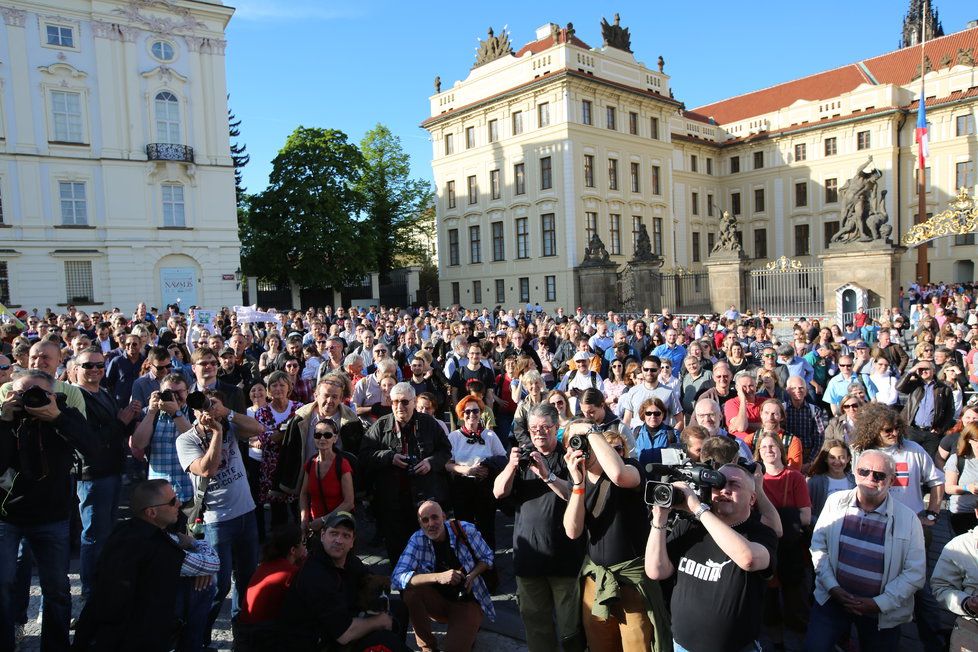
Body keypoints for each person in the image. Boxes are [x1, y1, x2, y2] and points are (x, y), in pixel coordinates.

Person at [0, 370, 95, 652]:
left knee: (56, 589)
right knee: (2, 584)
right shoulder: (6, 417)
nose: (30, 400)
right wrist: (4, 422)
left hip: (51, 515)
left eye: (37, 393)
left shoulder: (63, 412)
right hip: (7, 515)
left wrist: (58, 418)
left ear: (52, 394)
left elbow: (93, 449)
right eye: (22, 393)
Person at [72, 479, 219, 652]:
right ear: (151, 512)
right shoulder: (160, 549)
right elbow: (213, 563)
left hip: (102, 622)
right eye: (172, 502)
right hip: (139, 633)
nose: (179, 504)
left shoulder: (123, 530)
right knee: (207, 585)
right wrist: (194, 542)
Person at [645, 462, 778, 652]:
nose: (725, 490)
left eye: (734, 484)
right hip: (683, 646)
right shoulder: (690, 527)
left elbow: (748, 559)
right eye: (719, 484)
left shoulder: (761, 533)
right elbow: (656, 570)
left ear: (752, 498)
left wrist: (698, 509)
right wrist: (659, 518)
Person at [564, 420, 670, 652]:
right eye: (575, 441)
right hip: (597, 582)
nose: (584, 447)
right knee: (600, 645)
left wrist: (590, 430)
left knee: (638, 645)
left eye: (588, 441)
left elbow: (619, 475)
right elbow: (572, 531)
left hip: (631, 581)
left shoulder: (630, 466)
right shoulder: (579, 480)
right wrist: (577, 483)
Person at [806, 450, 926, 651]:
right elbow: (819, 546)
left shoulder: (909, 519)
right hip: (832, 599)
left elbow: (915, 573)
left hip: (881, 612)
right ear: (855, 472)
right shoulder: (835, 502)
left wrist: (879, 603)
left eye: (879, 475)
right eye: (864, 471)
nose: (870, 478)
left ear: (892, 480)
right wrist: (833, 587)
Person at [493, 403, 585, 651]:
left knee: (571, 630)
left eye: (545, 427)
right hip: (529, 559)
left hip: (564, 558)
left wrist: (547, 475)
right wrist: (511, 466)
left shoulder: (569, 457)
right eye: (534, 428)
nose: (539, 433)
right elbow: (498, 492)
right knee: (536, 627)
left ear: (556, 428)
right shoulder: (522, 459)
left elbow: (575, 494)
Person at [175, 389, 263, 646]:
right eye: (202, 406)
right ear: (193, 411)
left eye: (211, 405)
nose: (207, 411)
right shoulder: (186, 440)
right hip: (216, 520)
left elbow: (258, 429)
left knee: (246, 580)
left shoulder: (229, 423)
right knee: (216, 586)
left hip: (246, 512)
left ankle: (240, 635)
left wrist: (227, 413)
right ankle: (198, 639)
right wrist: (217, 433)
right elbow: (207, 469)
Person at [71, 348, 141, 611]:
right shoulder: (75, 396)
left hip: (112, 469)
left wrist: (128, 417)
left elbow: (113, 429)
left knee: (106, 532)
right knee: (93, 535)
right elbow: (87, 438)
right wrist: (121, 421)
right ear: (75, 369)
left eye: (100, 365)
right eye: (88, 365)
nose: (95, 370)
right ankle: (89, 592)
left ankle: (103, 585)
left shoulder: (103, 392)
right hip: (93, 473)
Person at [280, 511, 408, 651]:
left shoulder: (350, 561)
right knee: (385, 638)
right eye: (334, 533)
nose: (339, 540)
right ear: (323, 536)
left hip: (342, 622)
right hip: (318, 642)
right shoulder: (315, 575)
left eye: (346, 535)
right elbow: (344, 634)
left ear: (352, 541)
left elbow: (370, 579)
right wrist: (380, 621)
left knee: (399, 609)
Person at [360, 383, 452, 564]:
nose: (399, 407)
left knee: (428, 547)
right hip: (391, 501)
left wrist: (430, 462)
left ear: (414, 401)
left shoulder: (428, 423)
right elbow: (364, 456)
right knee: (397, 549)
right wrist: (388, 457)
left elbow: (446, 450)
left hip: (423, 497)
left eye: (404, 402)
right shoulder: (381, 425)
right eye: (394, 402)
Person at [392, 500, 494, 652]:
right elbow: (397, 577)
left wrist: (472, 575)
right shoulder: (418, 539)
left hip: (467, 602)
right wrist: (438, 577)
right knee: (410, 592)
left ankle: (466, 631)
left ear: (444, 517)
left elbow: (488, 557)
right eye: (425, 520)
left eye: (435, 517)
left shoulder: (464, 529)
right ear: (420, 523)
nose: (430, 524)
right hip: (438, 602)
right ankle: (428, 648)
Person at [756, 433, 812, 645]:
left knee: (795, 601)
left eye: (772, 446)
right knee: (769, 606)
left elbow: (805, 516)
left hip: (790, 548)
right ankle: (776, 644)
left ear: (781, 449)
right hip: (767, 547)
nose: (769, 450)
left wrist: (770, 520)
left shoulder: (794, 477)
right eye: (764, 447)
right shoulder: (755, 481)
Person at [446, 396, 507, 550]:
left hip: (484, 486)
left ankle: (488, 562)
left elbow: (503, 458)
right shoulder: (454, 437)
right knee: (463, 526)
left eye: (475, 411)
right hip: (462, 486)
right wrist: (466, 470)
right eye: (467, 411)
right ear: (461, 414)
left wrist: (489, 467)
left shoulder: (490, 436)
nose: (471, 414)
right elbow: (446, 464)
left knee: (486, 526)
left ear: (481, 413)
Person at [235, 524, 308, 651]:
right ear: (292, 550)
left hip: (244, 633)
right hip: (260, 638)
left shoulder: (267, 563)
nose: (305, 546)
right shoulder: (289, 572)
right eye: (303, 542)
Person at [298, 418, 354, 534]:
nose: (322, 438)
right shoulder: (310, 463)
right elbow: (303, 494)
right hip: (315, 526)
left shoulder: (342, 464)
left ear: (335, 438)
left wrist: (324, 520)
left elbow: (349, 502)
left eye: (327, 435)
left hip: (338, 526)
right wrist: (304, 519)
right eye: (318, 435)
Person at [898, 360, 956, 458]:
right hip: (913, 430)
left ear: (933, 370)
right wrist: (911, 371)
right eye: (920, 369)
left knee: (929, 460)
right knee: (910, 458)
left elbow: (950, 411)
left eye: (926, 369)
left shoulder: (944, 388)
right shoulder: (914, 384)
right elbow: (899, 387)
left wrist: (942, 428)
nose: (923, 371)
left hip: (932, 433)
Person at [806, 438, 856, 523]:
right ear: (826, 459)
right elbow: (808, 509)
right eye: (832, 458)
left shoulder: (854, 481)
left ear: (848, 459)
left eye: (842, 457)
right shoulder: (815, 482)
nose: (837, 462)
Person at [944, 423, 978, 535]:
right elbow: (948, 488)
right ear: (969, 440)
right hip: (962, 513)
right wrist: (967, 488)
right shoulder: (957, 460)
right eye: (977, 440)